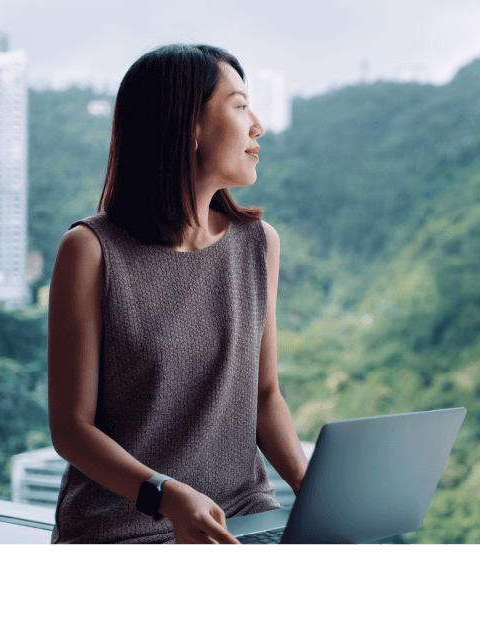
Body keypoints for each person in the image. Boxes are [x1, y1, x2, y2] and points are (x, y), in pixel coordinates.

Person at [47, 44, 307, 544]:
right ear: (190, 125)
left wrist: (316, 494)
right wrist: (168, 496)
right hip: (124, 527)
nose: (258, 126)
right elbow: (72, 430)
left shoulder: (259, 244)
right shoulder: (91, 251)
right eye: (239, 105)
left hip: (241, 516)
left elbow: (264, 394)